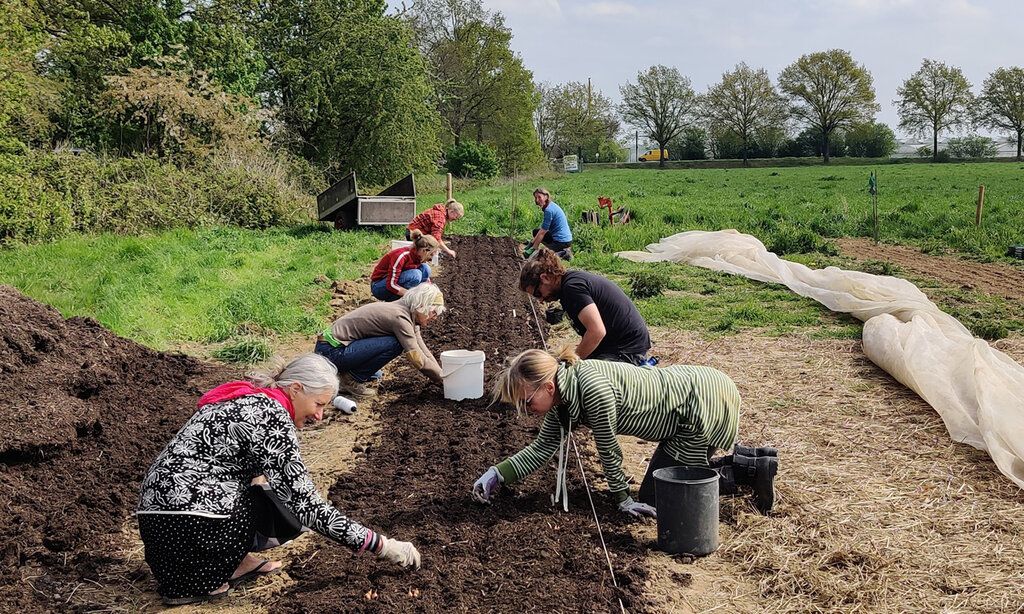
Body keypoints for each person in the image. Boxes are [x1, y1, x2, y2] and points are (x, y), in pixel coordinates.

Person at [137, 354, 421, 606]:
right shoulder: (272, 416)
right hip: (194, 524)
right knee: (285, 505)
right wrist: (381, 545)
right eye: (319, 404)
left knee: (259, 487)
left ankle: (225, 565)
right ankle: (211, 576)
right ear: (296, 388)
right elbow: (308, 506)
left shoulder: (244, 398)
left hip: (158, 526)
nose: (320, 416)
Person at [471, 348, 779, 516]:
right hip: (684, 408)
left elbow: (608, 450)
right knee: (661, 485)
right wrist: (496, 474)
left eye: (526, 401)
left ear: (548, 386)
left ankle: (749, 471)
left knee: (658, 495)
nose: (526, 410)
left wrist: (622, 499)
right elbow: (541, 449)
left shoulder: (591, 389)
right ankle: (757, 458)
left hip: (697, 404)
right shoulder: (564, 396)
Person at [520, 250, 652, 365]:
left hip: (625, 348)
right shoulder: (570, 283)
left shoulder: (572, 288)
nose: (541, 300)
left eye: (538, 293)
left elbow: (596, 332)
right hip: (616, 345)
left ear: (545, 278)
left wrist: (572, 361)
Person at [315, 283, 445, 398]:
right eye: (433, 312)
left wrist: (442, 374)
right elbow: (416, 357)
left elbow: (423, 350)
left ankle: (349, 371)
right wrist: (443, 380)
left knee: (376, 374)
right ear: (422, 306)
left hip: (333, 348)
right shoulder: (400, 318)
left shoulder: (408, 313)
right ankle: (349, 380)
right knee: (395, 343)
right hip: (330, 351)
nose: (434, 318)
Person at [371, 229, 439, 302]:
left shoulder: (418, 256)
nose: (431, 258)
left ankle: (416, 299)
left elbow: (426, 280)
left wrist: (432, 293)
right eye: (431, 254)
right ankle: (402, 301)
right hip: (378, 286)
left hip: (391, 284)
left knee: (426, 268)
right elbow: (391, 285)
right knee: (415, 275)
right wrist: (412, 296)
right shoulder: (401, 256)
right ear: (424, 251)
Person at [525, 187, 572, 260]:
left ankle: (563, 253)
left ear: (546, 197)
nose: (537, 200)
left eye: (539, 197)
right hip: (564, 239)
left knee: (543, 257)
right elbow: (542, 230)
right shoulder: (551, 205)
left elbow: (542, 232)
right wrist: (531, 243)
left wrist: (533, 248)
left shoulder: (549, 210)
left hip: (562, 241)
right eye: (535, 197)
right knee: (535, 232)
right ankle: (559, 251)